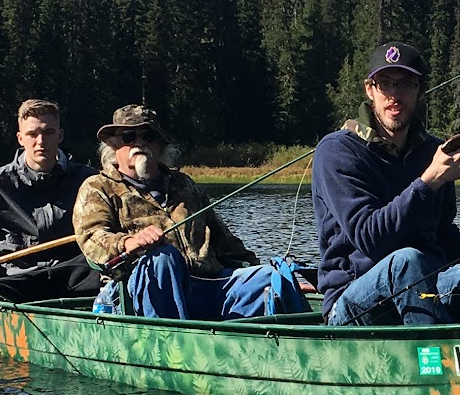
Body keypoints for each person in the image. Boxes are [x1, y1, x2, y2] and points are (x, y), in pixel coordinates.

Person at [311, 42, 460, 326]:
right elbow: (370, 238)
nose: (395, 94)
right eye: (385, 84)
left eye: (406, 84)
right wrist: (429, 179)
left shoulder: (430, 151)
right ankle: (437, 366)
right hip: (354, 304)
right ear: (369, 90)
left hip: (425, 288)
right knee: (407, 261)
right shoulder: (337, 151)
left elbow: (441, 233)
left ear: (420, 92)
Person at [73, 103, 306, 320]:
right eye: (129, 136)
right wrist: (129, 242)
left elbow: (225, 242)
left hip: (207, 285)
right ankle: (171, 342)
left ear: (161, 145)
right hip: (137, 295)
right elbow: (91, 238)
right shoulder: (98, 187)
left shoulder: (184, 185)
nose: (139, 143)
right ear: (114, 146)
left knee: (270, 278)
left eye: (149, 136)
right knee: (163, 259)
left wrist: (264, 272)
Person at [0, 98, 102, 301]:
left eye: (48, 132)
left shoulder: (89, 180)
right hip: (16, 278)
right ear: (20, 138)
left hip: (74, 274)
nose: (41, 142)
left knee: (116, 275)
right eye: (32, 134)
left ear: (60, 136)